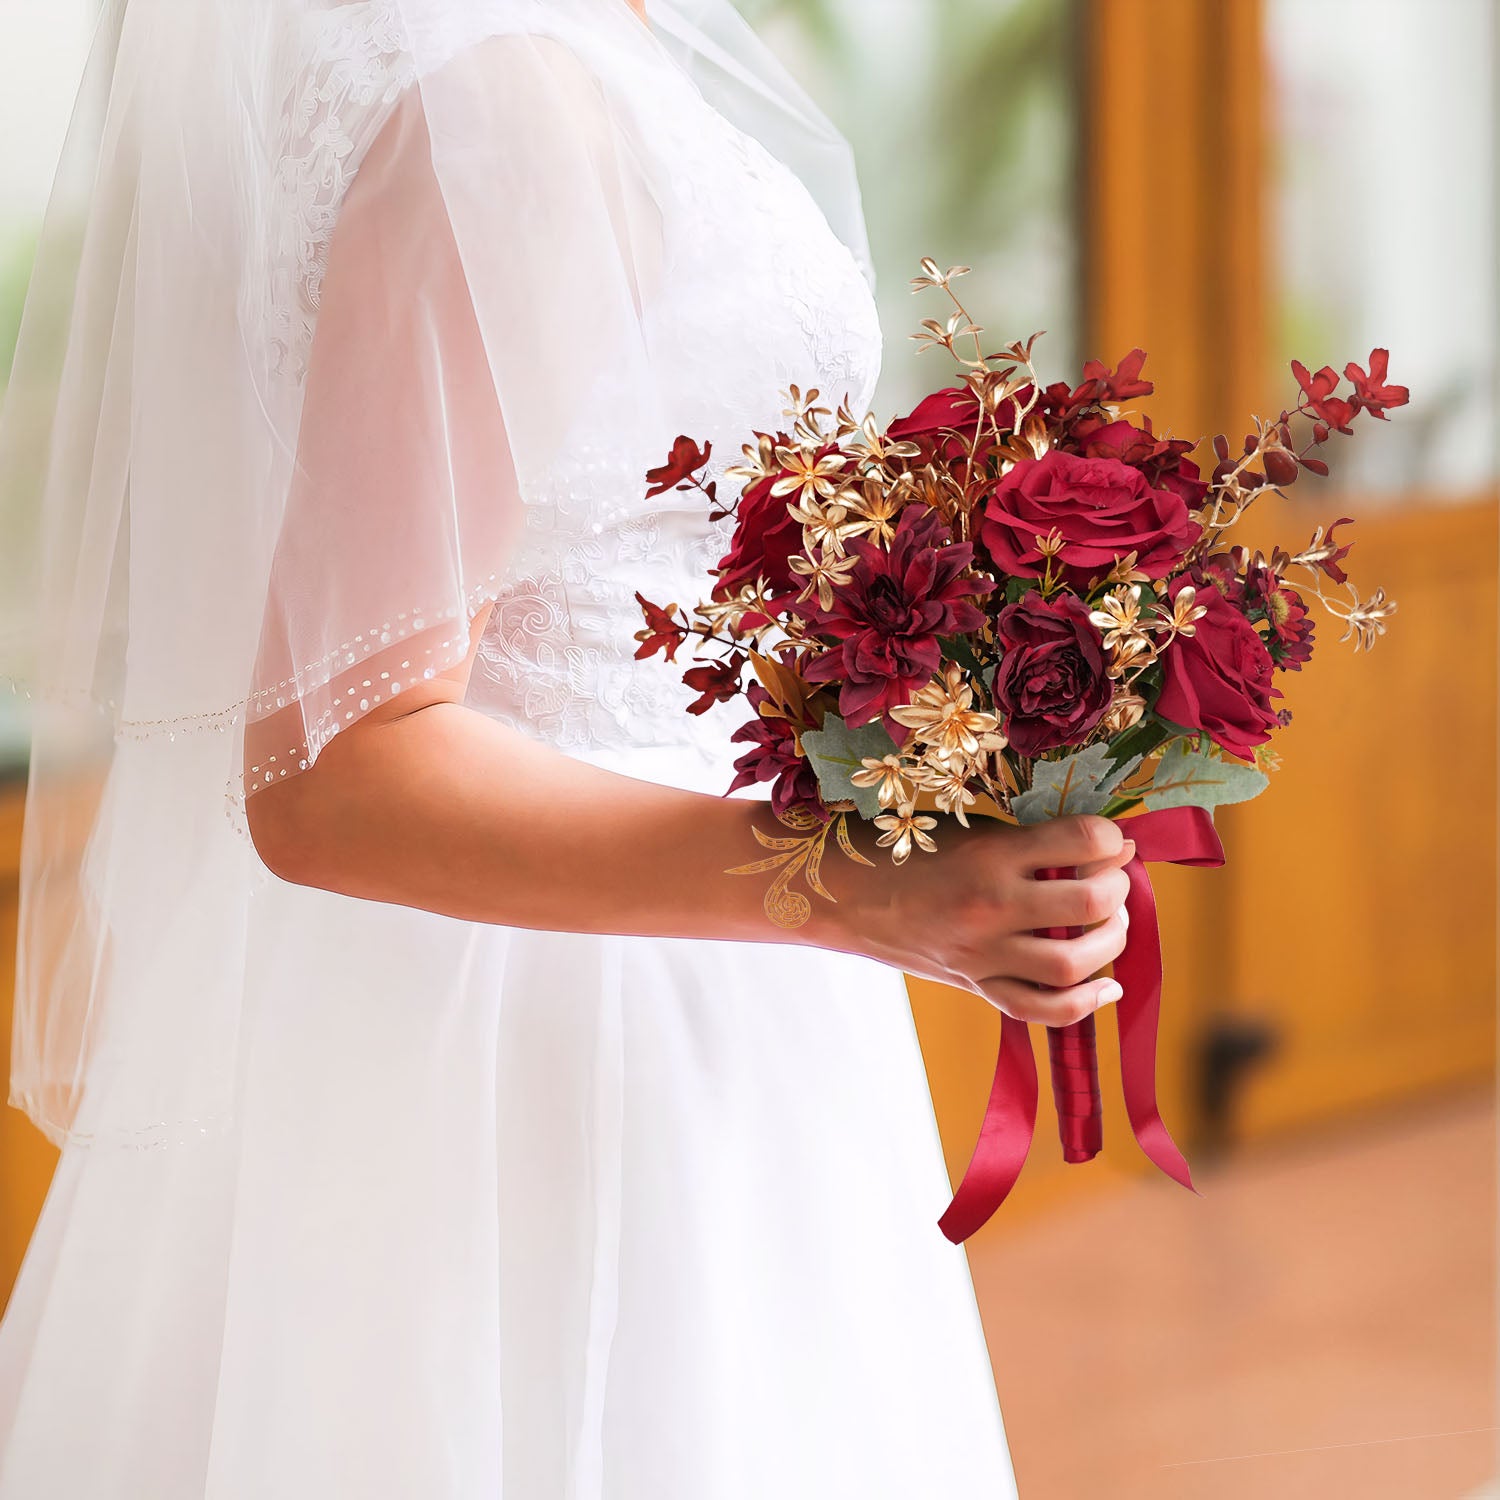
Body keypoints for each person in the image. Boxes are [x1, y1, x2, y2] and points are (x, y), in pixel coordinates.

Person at [0, 1, 1130, 1494]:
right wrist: (855, 885)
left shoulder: (579, 47)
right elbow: (334, 775)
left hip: (674, 970)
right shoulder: (506, 102)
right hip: (554, 1029)